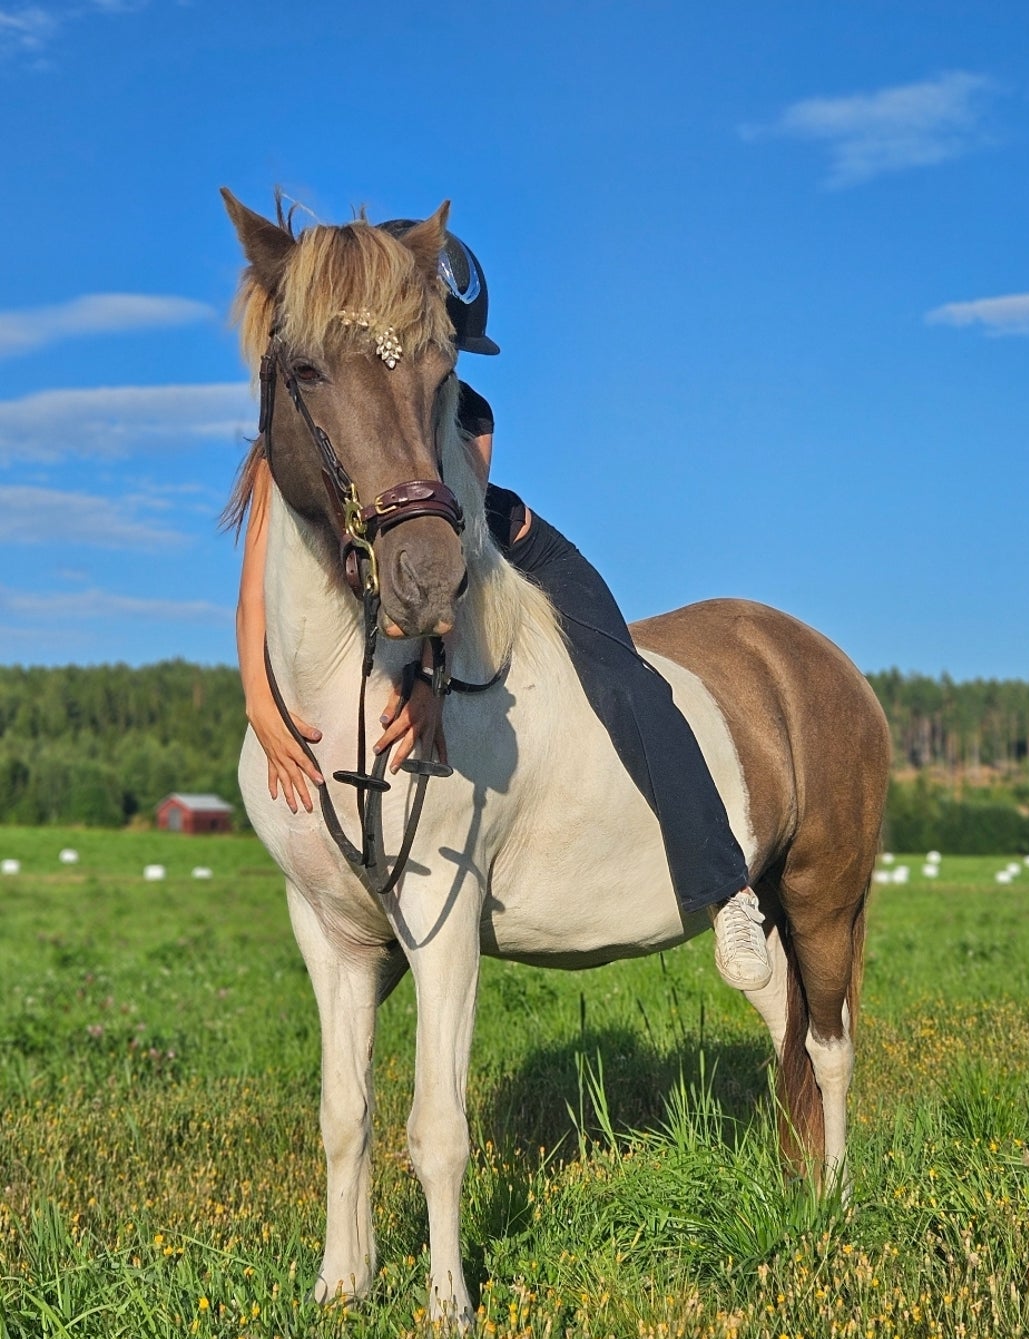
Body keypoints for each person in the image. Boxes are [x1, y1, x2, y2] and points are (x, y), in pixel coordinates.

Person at [234, 225, 771, 991]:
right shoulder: (326, 423)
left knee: (624, 682)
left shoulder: (471, 418)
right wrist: (259, 696)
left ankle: (726, 887)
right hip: (418, 558)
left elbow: (464, 564)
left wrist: (427, 682)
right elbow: (260, 574)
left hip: (505, 550)